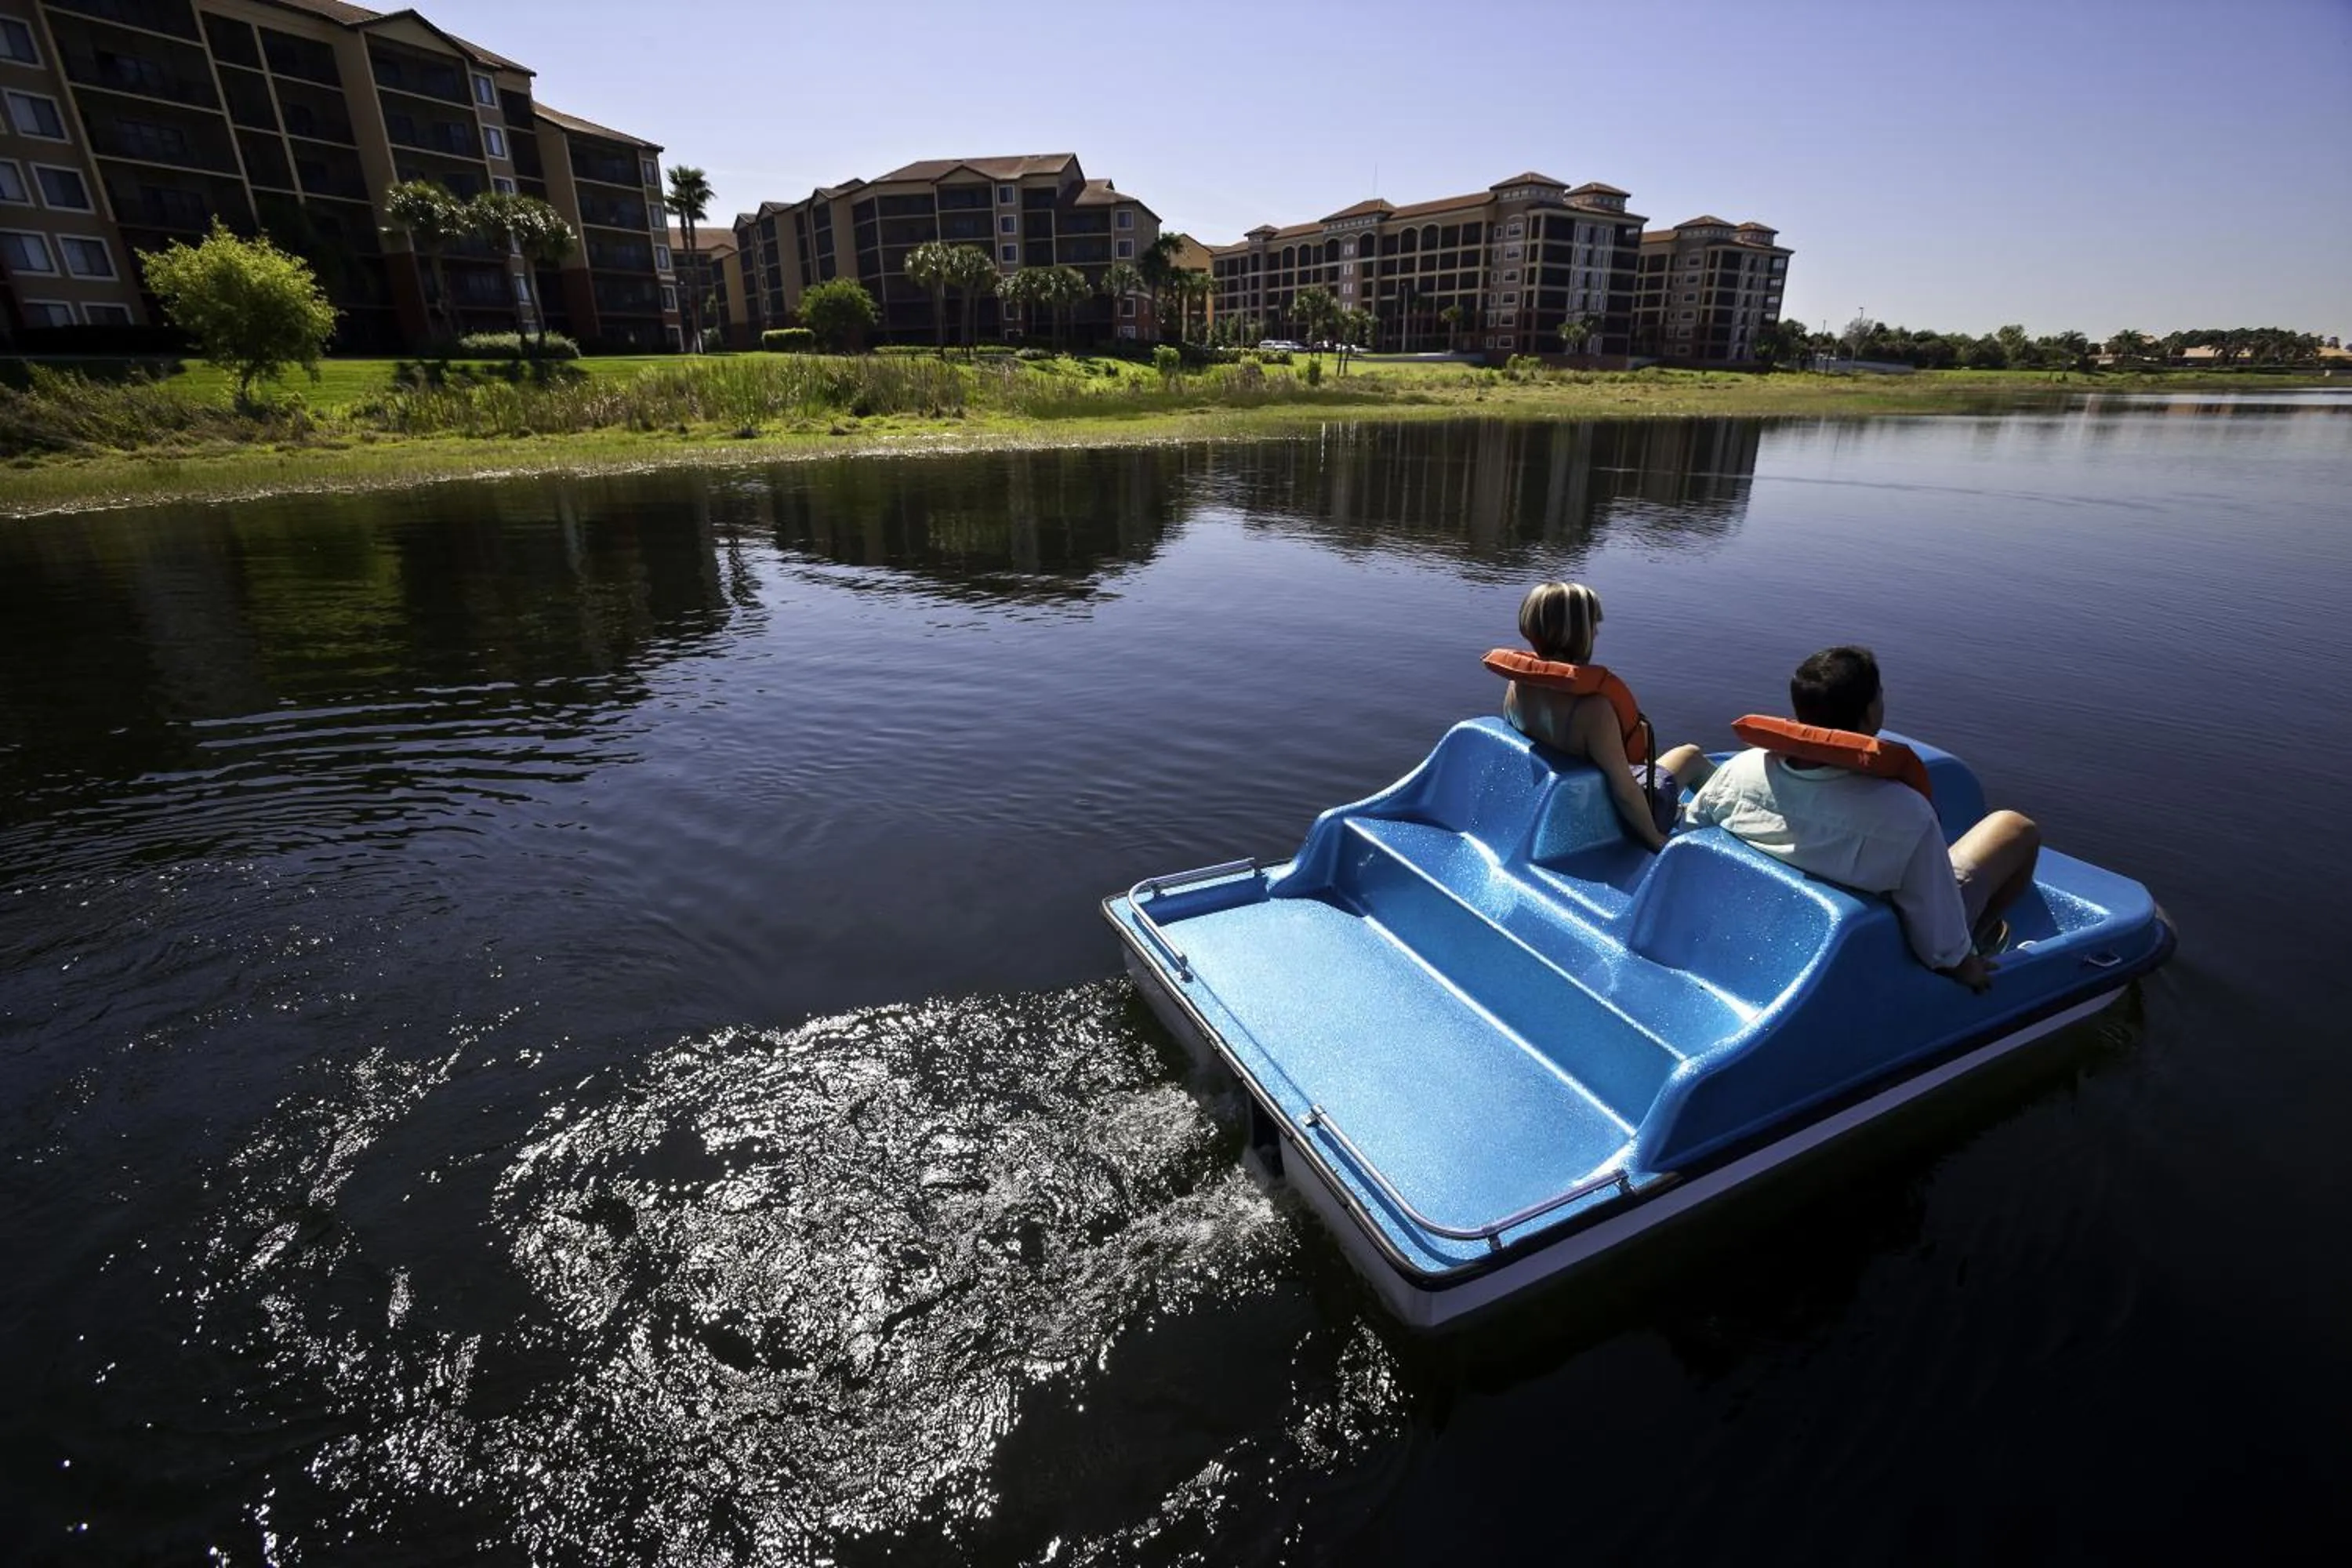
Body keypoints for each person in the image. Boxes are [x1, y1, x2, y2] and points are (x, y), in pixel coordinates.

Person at [1683, 645, 2041, 993]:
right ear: (1871, 713)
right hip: (1872, 934)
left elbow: (1691, 836)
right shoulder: (1904, 812)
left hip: (1766, 919)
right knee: (2015, 828)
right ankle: (1978, 939)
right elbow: (1937, 932)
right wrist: (1962, 966)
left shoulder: (1741, 770)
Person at [1497, 582, 1712, 852]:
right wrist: (1656, 840)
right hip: (1610, 816)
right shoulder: (1593, 709)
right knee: (1691, 755)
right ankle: (1725, 812)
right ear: (1580, 633)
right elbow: (1624, 791)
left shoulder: (1518, 686)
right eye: (1593, 626)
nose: (1597, 632)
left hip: (1566, 803)